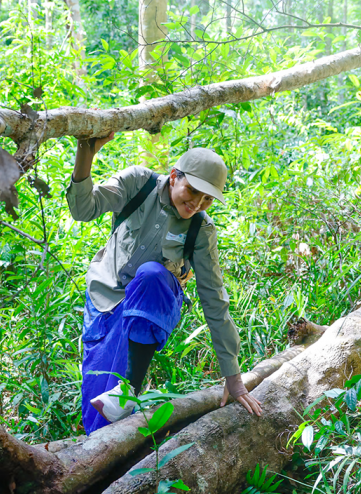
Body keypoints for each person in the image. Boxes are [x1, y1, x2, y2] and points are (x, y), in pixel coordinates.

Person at [66, 134, 263, 435]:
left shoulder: (201, 229)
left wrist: (233, 377)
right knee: (97, 405)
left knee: (152, 274)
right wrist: (85, 153)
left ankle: (130, 387)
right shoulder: (138, 184)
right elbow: (83, 210)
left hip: (150, 307)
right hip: (104, 301)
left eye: (207, 199)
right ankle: (95, 466)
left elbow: (214, 299)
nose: (197, 204)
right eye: (193, 191)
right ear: (174, 177)